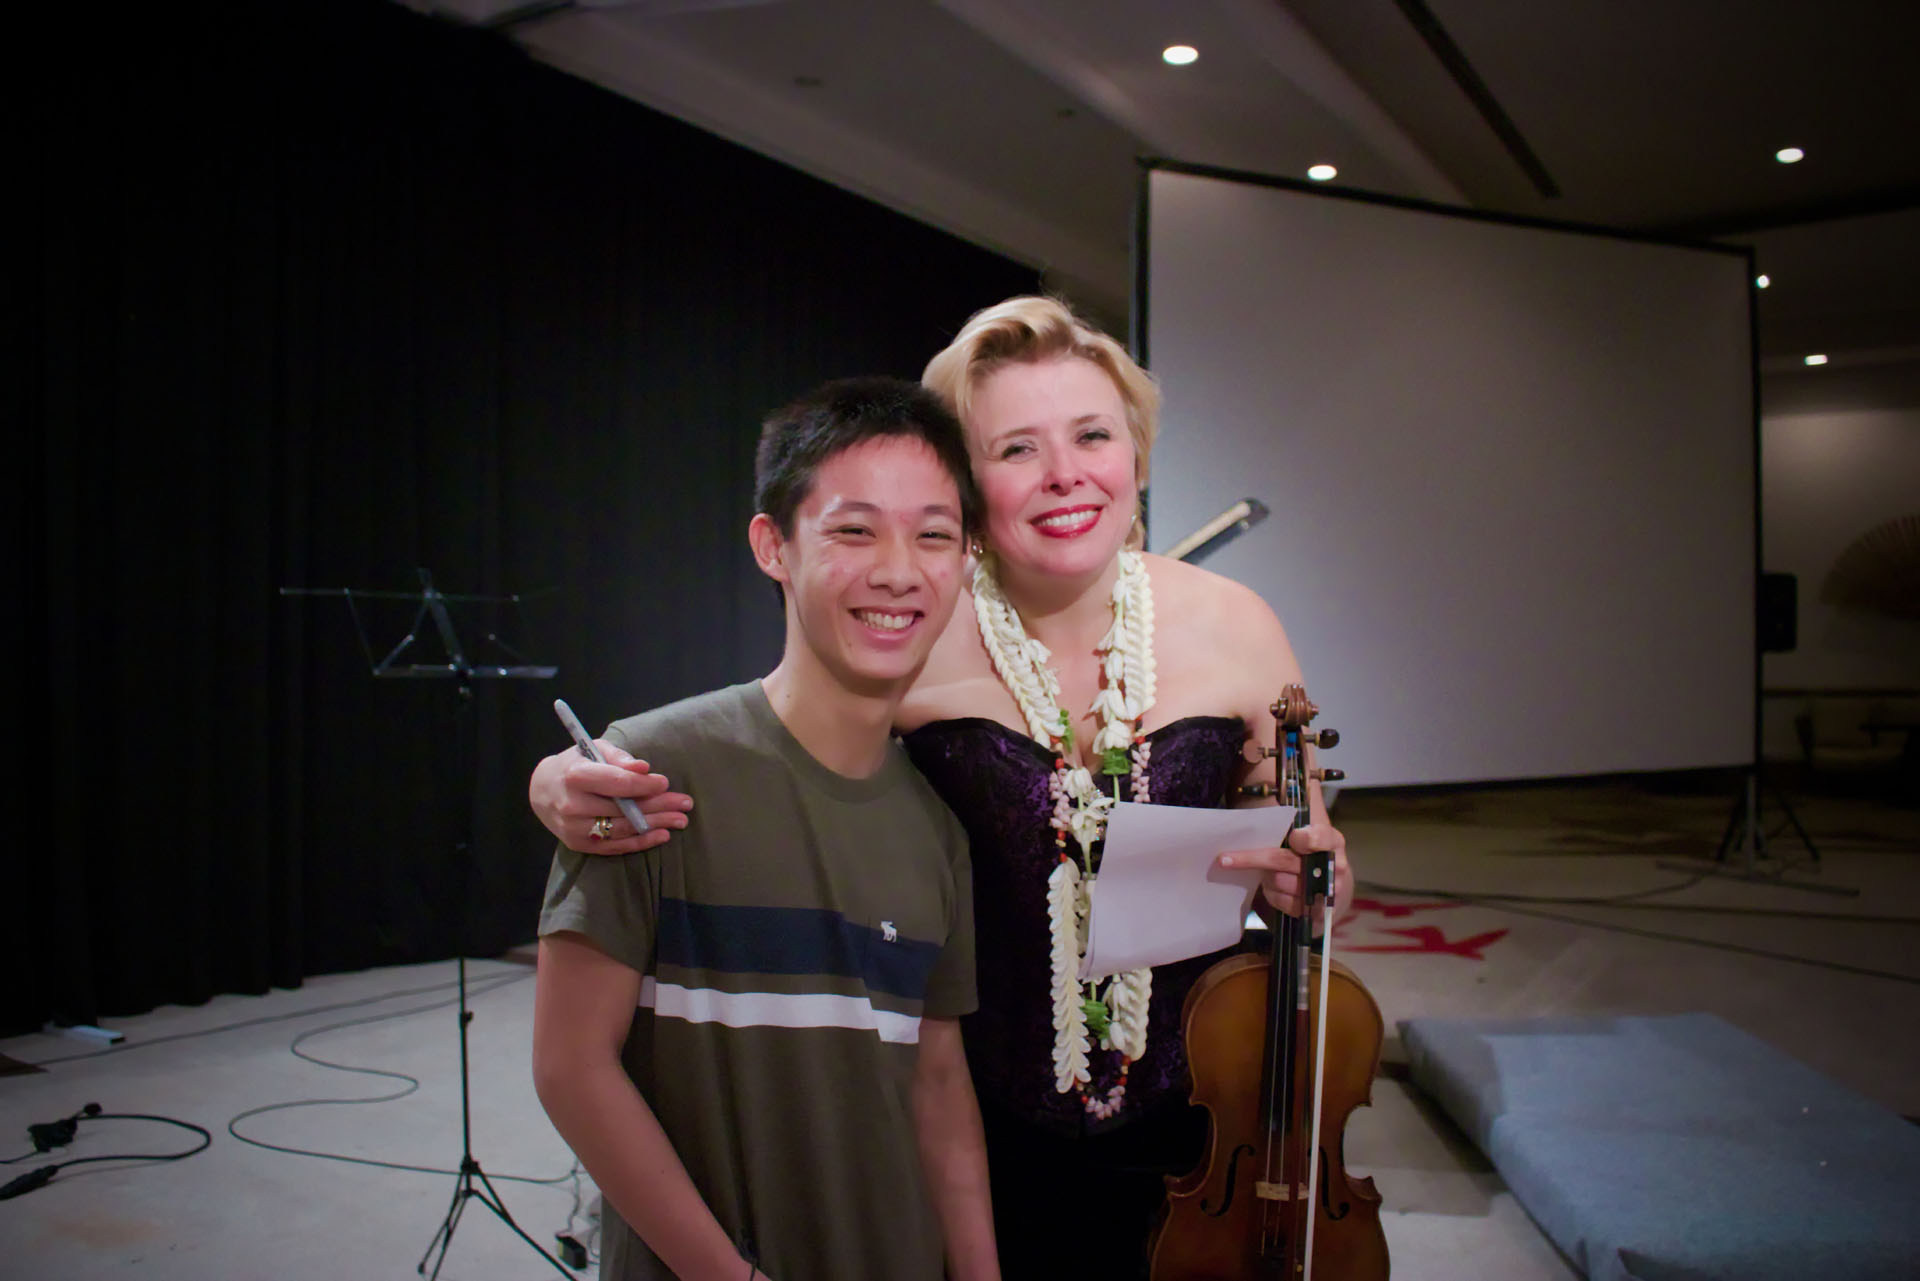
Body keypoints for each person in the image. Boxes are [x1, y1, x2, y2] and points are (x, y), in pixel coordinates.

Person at [532, 299, 1352, 1278]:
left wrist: (1316, 881)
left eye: (1093, 435)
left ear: (1135, 451)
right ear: (969, 487)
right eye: (1015, 449)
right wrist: (556, 779)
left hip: (1202, 1120)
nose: (1064, 474)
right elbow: (771, 742)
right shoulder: (913, 613)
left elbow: (1312, 849)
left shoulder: (1239, 625)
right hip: (969, 1115)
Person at [531, 376, 1000, 1281]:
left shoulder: (938, 827)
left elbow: (939, 1090)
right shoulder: (648, 772)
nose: (899, 569)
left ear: (967, 558)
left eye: (934, 534)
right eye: (853, 530)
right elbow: (571, 1067)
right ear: (772, 545)